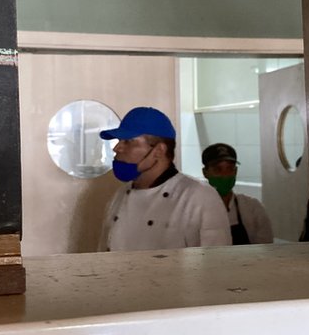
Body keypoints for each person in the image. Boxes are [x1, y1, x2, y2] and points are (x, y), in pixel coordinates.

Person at [98, 107, 231, 252]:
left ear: (159, 151)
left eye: (128, 141)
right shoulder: (119, 196)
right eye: (119, 140)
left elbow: (216, 265)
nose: (117, 148)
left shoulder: (199, 197)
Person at [201, 143, 274, 245]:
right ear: (205, 173)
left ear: (235, 171)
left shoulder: (252, 208)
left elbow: (266, 247)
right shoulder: (196, 210)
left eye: (229, 169)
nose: (224, 175)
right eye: (218, 169)